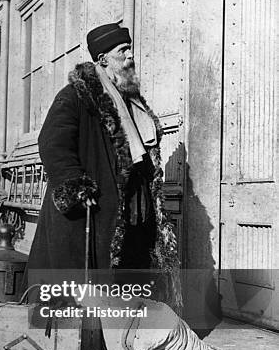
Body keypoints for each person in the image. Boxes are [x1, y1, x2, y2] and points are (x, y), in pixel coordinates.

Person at [26, 23, 181, 311]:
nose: (131, 56)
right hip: (91, 211)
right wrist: (76, 185)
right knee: (81, 293)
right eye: (123, 50)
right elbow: (52, 142)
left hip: (132, 206)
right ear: (103, 59)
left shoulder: (131, 101)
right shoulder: (75, 95)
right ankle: (84, 349)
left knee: (126, 281)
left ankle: (119, 346)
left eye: (130, 49)